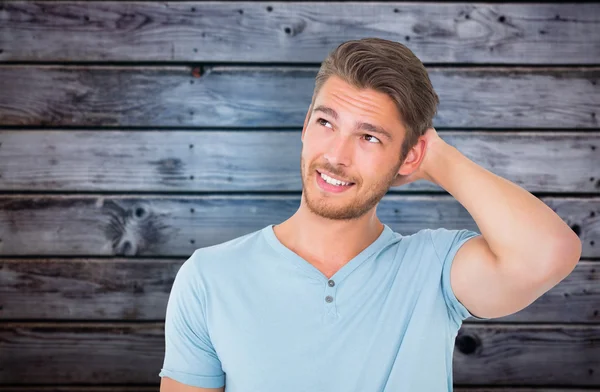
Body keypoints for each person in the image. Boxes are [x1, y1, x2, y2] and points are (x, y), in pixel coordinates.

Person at [159, 37, 581, 392]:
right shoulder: (209, 278)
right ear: (305, 125)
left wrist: (438, 159)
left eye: (369, 137)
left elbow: (549, 253)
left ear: (408, 156)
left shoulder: (434, 270)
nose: (336, 157)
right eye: (326, 122)